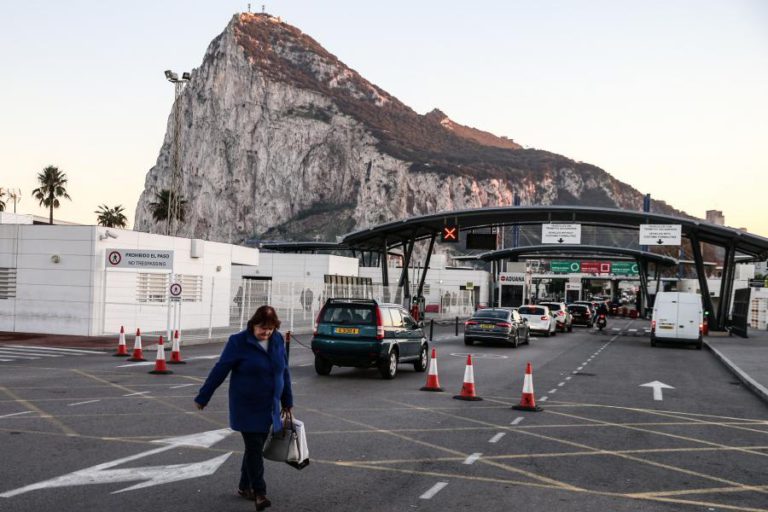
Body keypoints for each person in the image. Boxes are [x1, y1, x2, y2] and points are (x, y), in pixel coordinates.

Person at [194, 305, 293, 511]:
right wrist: (204, 396)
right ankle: (260, 492)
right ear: (252, 324)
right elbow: (220, 369)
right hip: (246, 405)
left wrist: (287, 401)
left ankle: (243, 486)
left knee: (253, 447)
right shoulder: (238, 342)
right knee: (255, 447)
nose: (266, 332)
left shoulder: (277, 340)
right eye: (262, 328)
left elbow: (284, 372)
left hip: (270, 406)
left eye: (270, 328)